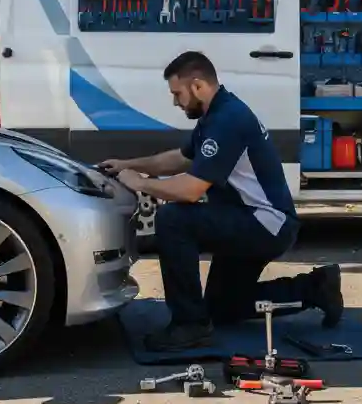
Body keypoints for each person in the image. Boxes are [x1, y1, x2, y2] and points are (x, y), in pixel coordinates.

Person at [100, 50, 342, 352]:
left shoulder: (228, 120)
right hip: (249, 218)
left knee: (173, 219)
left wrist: (141, 184)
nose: (175, 101)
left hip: (264, 224)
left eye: (177, 93)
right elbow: (178, 159)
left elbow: (191, 190)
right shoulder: (216, 115)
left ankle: (189, 325)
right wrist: (127, 164)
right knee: (221, 306)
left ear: (198, 85)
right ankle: (315, 288)